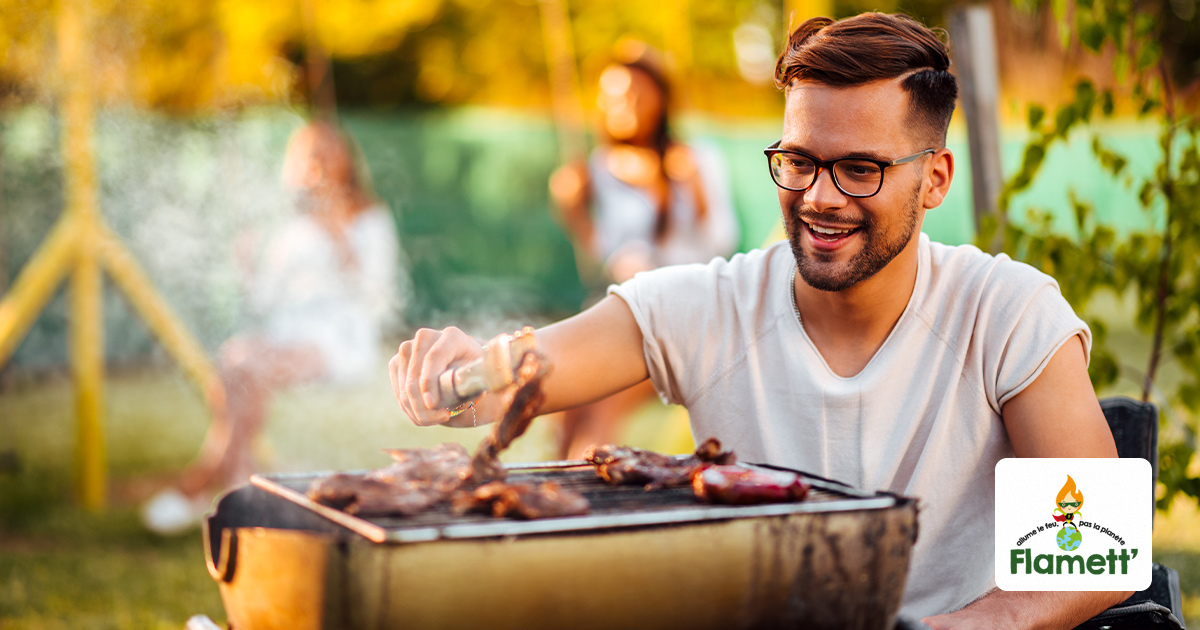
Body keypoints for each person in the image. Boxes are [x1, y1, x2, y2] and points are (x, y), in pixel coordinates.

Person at [389, 13, 1129, 627]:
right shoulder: (708, 306)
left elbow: (1095, 551)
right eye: (799, 160)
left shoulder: (1006, 310)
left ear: (934, 178)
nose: (821, 197)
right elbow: (521, 372)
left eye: (860, 168)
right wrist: (457, 374)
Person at [142, 120, 400, 534]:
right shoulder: (291, 226)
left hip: (338, 340)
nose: (317, 165)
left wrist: (338, 235)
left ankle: (213, 483)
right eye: (308, 156)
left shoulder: (368, 218)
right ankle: (238, 484)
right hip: (289, 337)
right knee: (234, 358)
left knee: (249, 370)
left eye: (326, 155)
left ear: (345, 162)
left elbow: (379, 298)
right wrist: (246, 268)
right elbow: (267, 301)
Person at [547, 41, 738, 458]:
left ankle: (587, 509)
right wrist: (574, 211)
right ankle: (555, 498)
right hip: (628, 309)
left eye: (634, 93)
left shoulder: (696, 158)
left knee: (600, 401)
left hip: (686, 318)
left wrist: (697, 192)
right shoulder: (598, 167)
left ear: (660, 97)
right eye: (612, 95)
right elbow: (606, 254)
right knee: (560, 406)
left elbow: (722, 240)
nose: (623, 104)